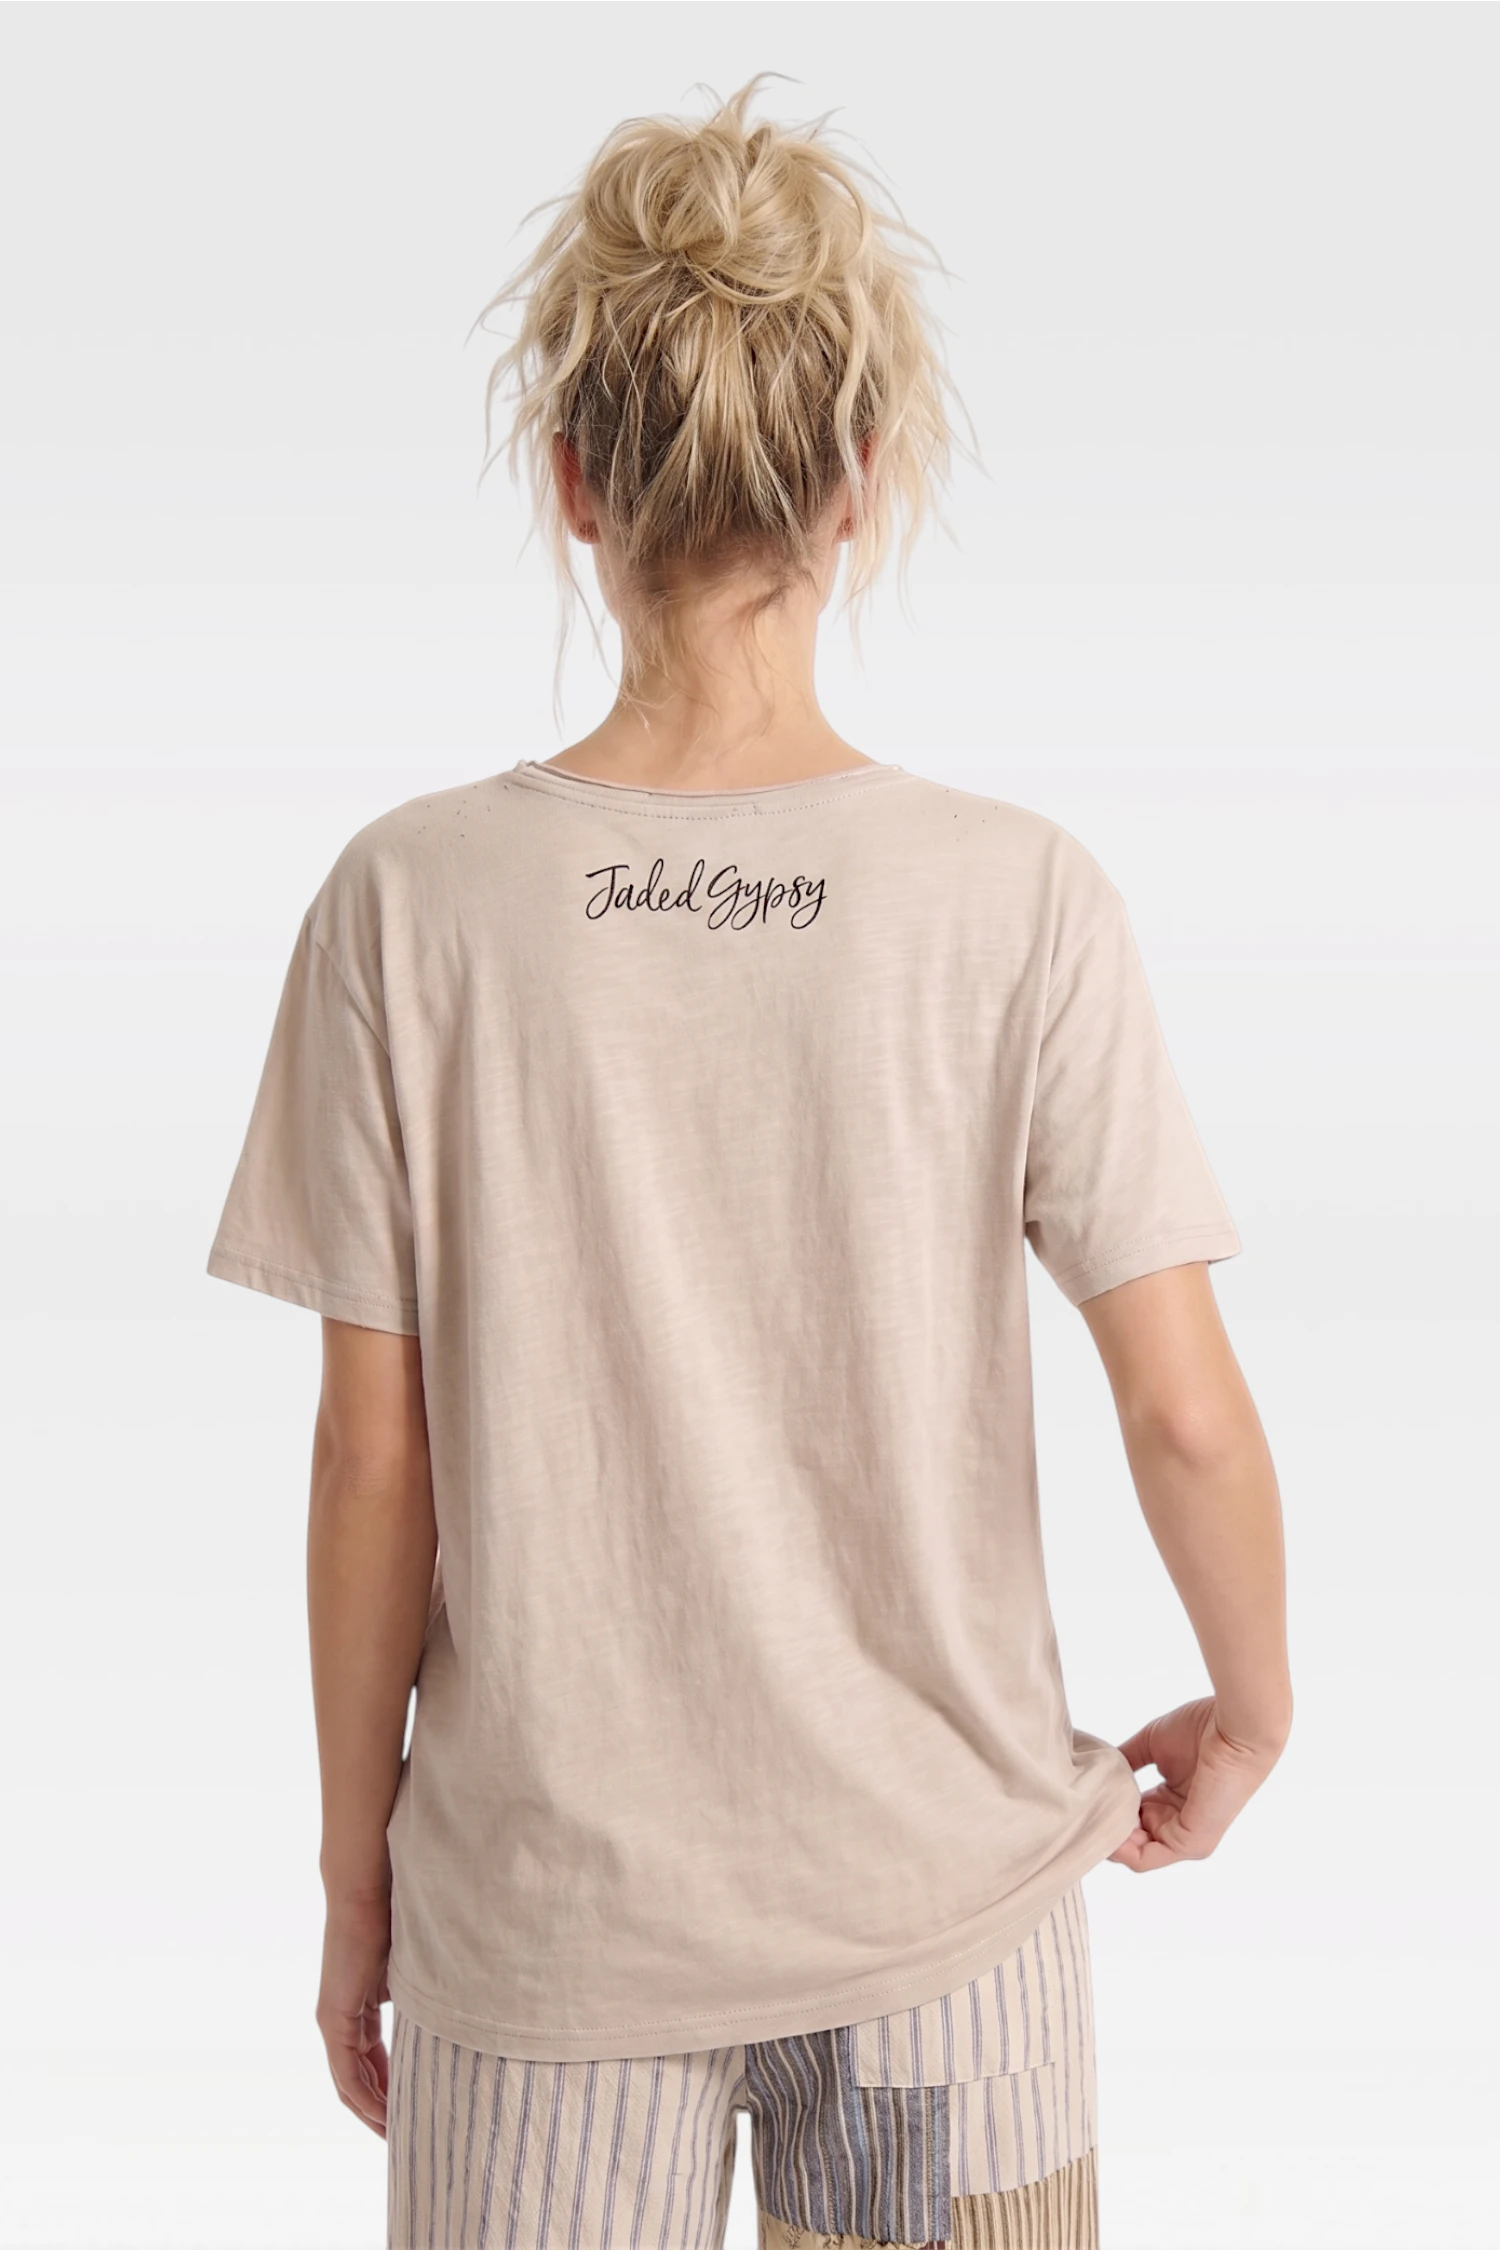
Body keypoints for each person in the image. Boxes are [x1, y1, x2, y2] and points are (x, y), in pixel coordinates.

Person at [206, 75, 1292, 2250]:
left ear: (573, 479)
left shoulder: (409, 904)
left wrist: (355, 1879)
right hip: (937, 1940)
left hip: (548, 1953)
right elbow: (1180, 1406)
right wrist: (1252, 1712)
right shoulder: (1014, 898)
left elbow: (370, 1463)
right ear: (861, 480)